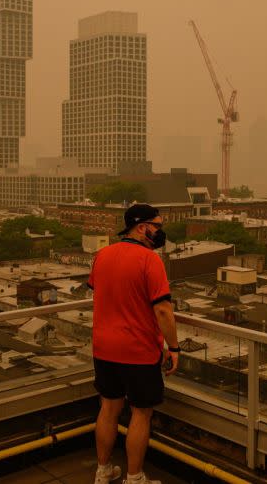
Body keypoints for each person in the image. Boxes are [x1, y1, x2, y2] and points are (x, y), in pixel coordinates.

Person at [89, 203, 180, 484]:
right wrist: (174, 348)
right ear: (143, 228)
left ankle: (103, 472)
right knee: (141, 414)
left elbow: (103, 293)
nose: (160, 232)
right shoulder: (150, 260)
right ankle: (135, 477)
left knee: (108, 408)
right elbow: (163, 311)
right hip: (138, 351)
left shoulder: (101, 255)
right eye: (158, 226)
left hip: (103, 347)